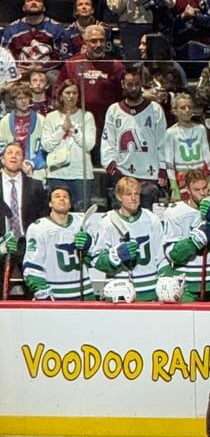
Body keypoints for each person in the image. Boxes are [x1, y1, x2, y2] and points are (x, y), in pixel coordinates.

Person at [159, 168, 210, 302]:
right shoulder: (175, 213)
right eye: (197, 190)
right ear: (188, 190)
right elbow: (172, 254)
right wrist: (194, 242)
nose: (202, 193)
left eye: (204, 188)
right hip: (187, 282)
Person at [100, 66, 169, 209]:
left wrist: (163, 168)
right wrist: (111, 165)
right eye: (130, 84)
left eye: (137, 84)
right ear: (123, 84)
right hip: (123, 174)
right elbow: (108, 141)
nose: (133, 88)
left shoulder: (155, 109)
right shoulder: (113, 110)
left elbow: (163, 142)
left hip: (149, 175)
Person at [89, 176, 166, 302]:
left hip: (150, 291)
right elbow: (96, 260)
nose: (134, 198)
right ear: (119, 197)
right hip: (119, 292)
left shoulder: (152, 219)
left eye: (136, 194)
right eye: (128, 194)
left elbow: (161, 256)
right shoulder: (108, 222)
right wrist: (115, 256)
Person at [22, 186, 94, 301]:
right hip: (55, 295)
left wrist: (88, 245)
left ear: (70, 204)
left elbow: (96, 256)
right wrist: (42, 291)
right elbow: (31, 266)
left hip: (85, 293)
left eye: (65, 197)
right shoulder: (38, 228)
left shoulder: (82, 223)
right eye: (57, 196)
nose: (62, 199)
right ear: (50, 203)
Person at [0, 141, 48, 298]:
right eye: (10, 153)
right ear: (2, 159)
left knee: (34, 290)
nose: (13, 156)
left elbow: (43, 218)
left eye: (18, 153)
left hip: (28, 244)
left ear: (23, 160)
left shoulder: (36, 186)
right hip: (1, 244)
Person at [41, 79, 97, 211]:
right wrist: (62, 130)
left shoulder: (87, 116)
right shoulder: (51, 117)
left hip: (80, 175)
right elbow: (46, 146)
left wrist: (74, 131)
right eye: (67, 92)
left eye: (74, 93)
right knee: (57, 214)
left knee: (81, 214)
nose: (71, 96)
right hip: (57, 174)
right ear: (60, 95)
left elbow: (89, 145)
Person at [0, 84, 47, 183]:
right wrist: (14, 163)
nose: (23, 101)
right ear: (13, 101)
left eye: (26, 97)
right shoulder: (4, 121)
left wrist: (32, 163)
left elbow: (46, 147)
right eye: (19, 98)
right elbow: (1, 148)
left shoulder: (41, 120)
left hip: (35, 172)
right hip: (10, 172)